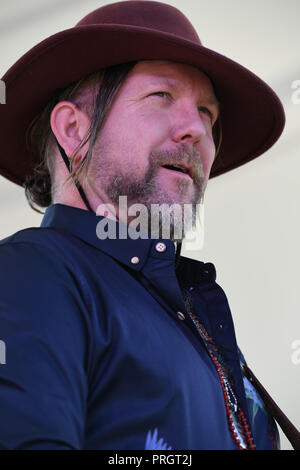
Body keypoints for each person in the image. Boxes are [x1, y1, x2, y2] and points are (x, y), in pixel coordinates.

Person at [0, 1, 286, 450]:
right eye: (161, 96)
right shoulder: (31, 272)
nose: (196, 129)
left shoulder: (194, 315)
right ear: (74, 129)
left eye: (208, 114)